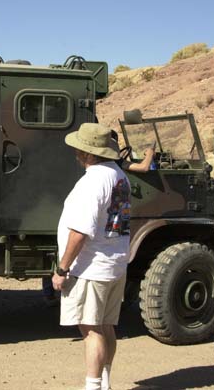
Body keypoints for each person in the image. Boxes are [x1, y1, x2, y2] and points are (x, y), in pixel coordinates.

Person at [51, 123, 131, 390]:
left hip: (91, 267)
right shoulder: (119, 176)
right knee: (106, 326)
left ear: (88, 153)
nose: (76, 152)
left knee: (91, 330)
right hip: (114, 263)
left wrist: (62, 269)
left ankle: (93, 386)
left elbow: (79, 232)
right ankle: (105, 381)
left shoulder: (91, 182)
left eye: (79, 148)